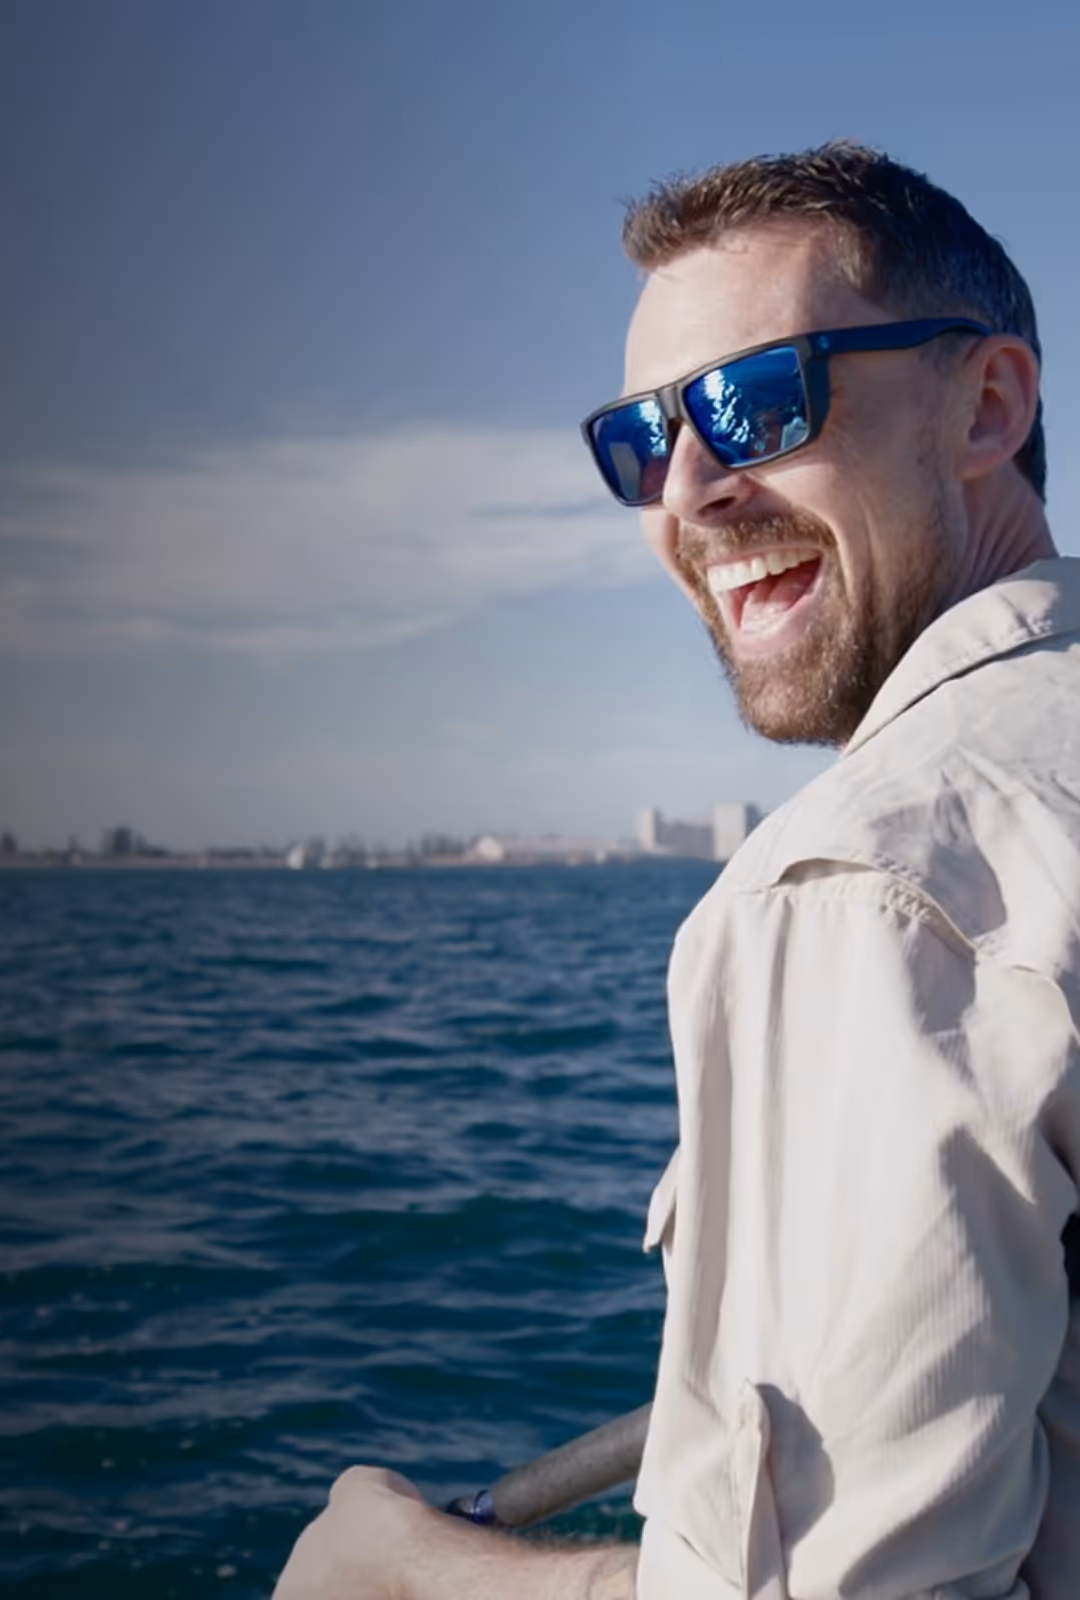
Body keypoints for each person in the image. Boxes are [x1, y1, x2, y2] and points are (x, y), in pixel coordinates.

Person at [273, 142, 1080, 1599]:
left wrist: (407, 1571)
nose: (691, 491)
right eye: (641, 440)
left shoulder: (873, 883)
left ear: (987, 405)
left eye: (756, 401)